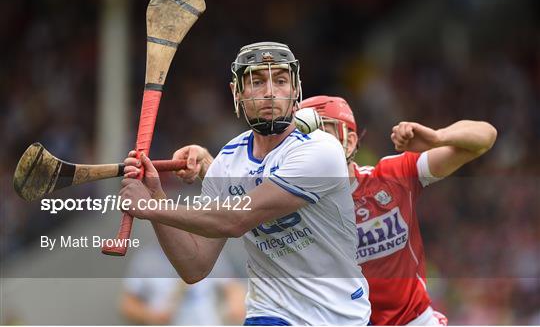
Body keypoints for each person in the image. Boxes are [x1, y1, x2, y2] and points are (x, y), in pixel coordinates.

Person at [119, 42, 371, 325]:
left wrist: (151, 208)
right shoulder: (228, 161)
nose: (270, 92)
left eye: (280, 80)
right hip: (271, 314)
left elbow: (238, 218)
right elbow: (195, 266)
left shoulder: (320, 150)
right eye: (256, 81)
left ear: (296, 90)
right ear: (236, 92)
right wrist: (158, 196)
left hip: (338, 317)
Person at [299, 95, 497, 325]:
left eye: (324, 135)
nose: (315, 147)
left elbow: (486, 136)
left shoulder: (392, 176)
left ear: (350, 141)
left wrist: (437, 138)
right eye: (305, 139)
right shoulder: (292, 207)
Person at [119, 242, 246, 325]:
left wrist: (236, 303)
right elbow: (128, 304)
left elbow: (233, 288)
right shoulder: (146, 260)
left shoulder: (208, 253)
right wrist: (152, 316)